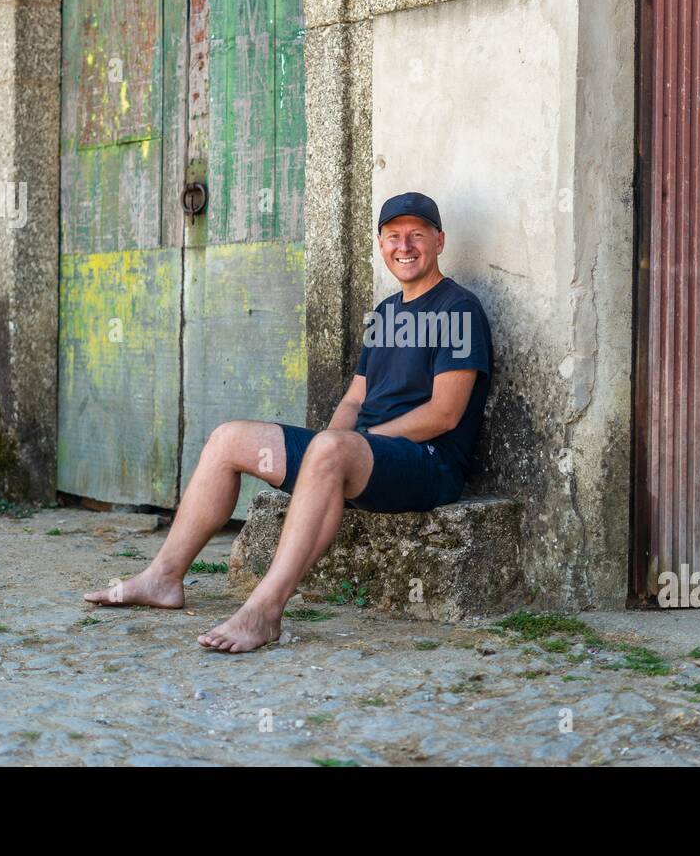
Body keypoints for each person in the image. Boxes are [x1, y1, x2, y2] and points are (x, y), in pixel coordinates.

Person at [83, 191, 494, 653]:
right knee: (227, 439)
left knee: (331, 448)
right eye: (393, 236)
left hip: (426, 464)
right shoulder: (384, 314)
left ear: (439, 240)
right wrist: (336, 440)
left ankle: (264, 611)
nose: (405, 246)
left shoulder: (458, 309)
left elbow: (445, 413)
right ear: (380, 244)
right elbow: (355, 397)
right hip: (358, 456)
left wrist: (351, 444)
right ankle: (163, 577)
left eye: (417, 235)